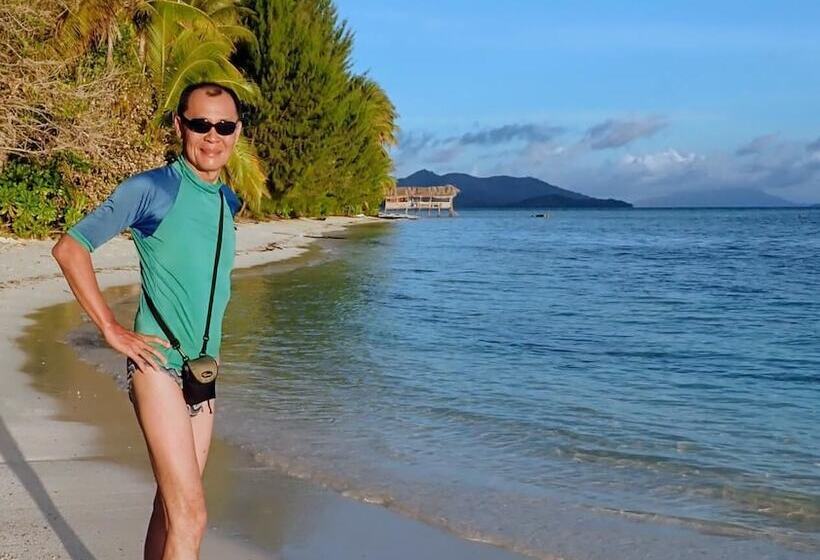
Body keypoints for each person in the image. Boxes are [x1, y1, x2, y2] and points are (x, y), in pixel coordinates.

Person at [51, 82, 244, 560]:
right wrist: (111, 330)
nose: (212, 135)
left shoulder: (228, 202)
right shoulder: (154, 188)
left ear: (238, 132)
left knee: (171, 508)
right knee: (192, 515)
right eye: (200, 123)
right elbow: (70, 248)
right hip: (158, 366)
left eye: (224, 125)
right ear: (180, 125)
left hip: (203, 373)